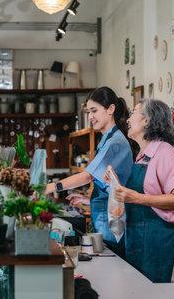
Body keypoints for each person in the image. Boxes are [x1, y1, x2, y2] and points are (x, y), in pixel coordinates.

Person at [104, 98, 174, 283]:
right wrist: (116, 187)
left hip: (161, 246)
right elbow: (144, 194)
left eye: (133, 113)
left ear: (147, 120)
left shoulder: (164, 153)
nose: (127, 120)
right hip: (142, 245)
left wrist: (136, 197)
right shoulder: (143, 157)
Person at [45, 87, 134, 255]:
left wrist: (52, 187)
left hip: (113, 224)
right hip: (106, 219)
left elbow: (87, 176)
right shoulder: (107, 139)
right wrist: (88, 199)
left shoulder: (114, 142)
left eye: (94, 111)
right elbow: (108, 185)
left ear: (111, 109)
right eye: (88, 112)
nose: (90, 117)